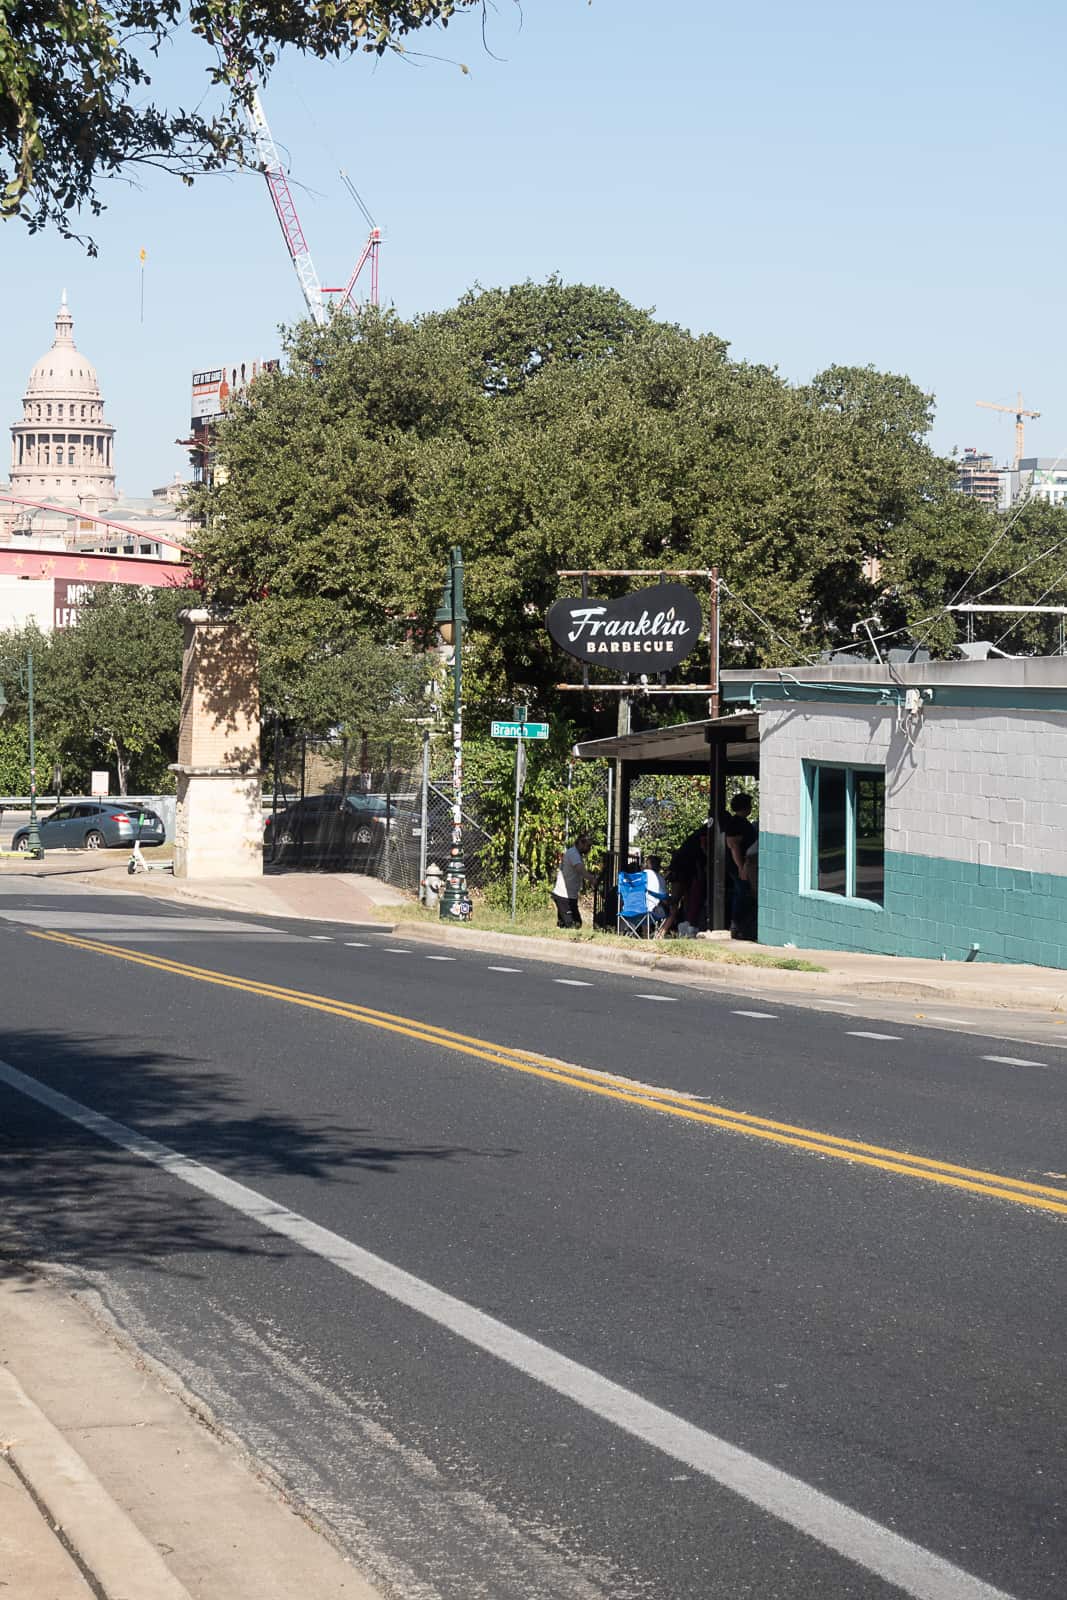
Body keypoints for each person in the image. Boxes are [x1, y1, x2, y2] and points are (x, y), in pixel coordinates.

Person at [552, 832, 593, 928]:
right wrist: (592, 879)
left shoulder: (575, 853)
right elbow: (580, 869)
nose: (589, 849)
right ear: (581, 843)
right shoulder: (573, 854)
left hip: (569, 896)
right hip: (564, 896)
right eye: (588, 846)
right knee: (572, 924)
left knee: (568, 924)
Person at [644, 854, 670, 925]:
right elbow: (664, 898)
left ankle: (644, 933)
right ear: (658, 866)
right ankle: (659, 934)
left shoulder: (639, 876)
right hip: (653, 911)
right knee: (672, 909)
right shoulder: (660, 879)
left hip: (634, 909)